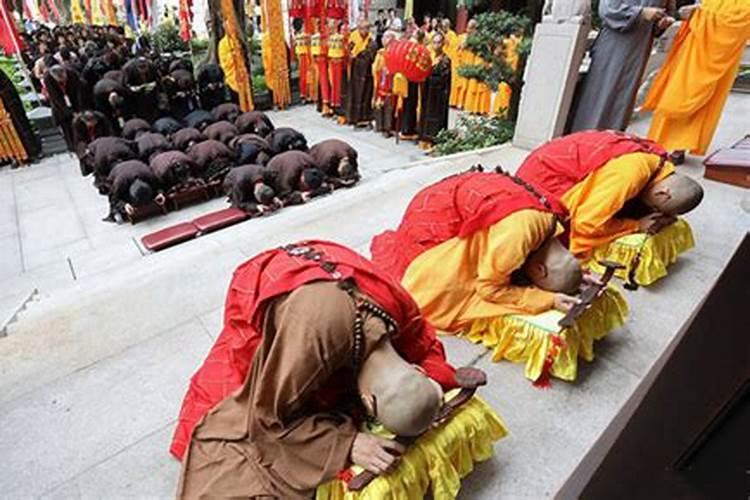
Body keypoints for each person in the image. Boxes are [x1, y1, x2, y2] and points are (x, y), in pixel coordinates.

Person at [171, 241, 462, 498]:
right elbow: (269, 417)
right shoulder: (312, 338)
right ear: (368, 401)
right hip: (269, 286)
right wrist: (345, 444)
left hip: (322, 274)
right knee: (238, 434)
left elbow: (423, 341)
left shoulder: (396, 307)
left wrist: (434, 383)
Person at [370, 171, 583, 334]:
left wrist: (573, 272)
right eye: (534, 280)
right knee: (437, 296)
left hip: (467, 188)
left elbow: (559, 256)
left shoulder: (554, 217)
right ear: (540, 269)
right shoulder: (516, 237)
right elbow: (489, 290)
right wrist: (548, 299)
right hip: (432, 216)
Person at [516, 130, 704, 258]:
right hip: (540, 180)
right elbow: (586, 224)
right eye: (656, 207)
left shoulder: (659, 160)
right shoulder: (627, 175)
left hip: (558, 158)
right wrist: (635, 225)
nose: (652, 209)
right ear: (664, 193)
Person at [643, 0, 750, 161]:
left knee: (698, 96)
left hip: (712, 50)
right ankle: (658, 142)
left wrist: (701, 14)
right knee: (677, 90)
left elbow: (740, 21)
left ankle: (679, 146)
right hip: (693, 44)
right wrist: (695, 11)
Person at [569, 0, 674, 132]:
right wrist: (641, 12)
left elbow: (662, 17)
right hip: (615, 45)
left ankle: (610, 143)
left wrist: (661, 24)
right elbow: (607, 9)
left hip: (639, 49)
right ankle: (585, 139)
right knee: (601, 97)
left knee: (622, 103)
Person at [418, 33, 451, 151]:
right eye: (434, 42)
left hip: (438, 95)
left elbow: (445, 79)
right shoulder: (428, 57)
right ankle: (424, 138)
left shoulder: (446, 60)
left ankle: (434, 141)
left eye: (439, 42)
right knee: (425, 113)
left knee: (436, 117)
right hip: (427, 92)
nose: (436, 45)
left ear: (443, 44)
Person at [345, 19, 378, 127]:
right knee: (354, 93)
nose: (364, 31)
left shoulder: (371, 41)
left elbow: (370, 56)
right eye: (361, 28)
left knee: (365, 94)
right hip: (355, 72)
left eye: (366, 28)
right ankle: (353, 118)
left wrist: (360, 56)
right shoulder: (353, 38)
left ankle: (365, 118)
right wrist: (354, 56)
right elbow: (349, 51)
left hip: (367, 74)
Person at [45, 64, 81, 152]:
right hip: (61, 107)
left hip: (74, 100)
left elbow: (79, 92)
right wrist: (69, 112)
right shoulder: (48, 78)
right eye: (59, 80)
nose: (62, 81)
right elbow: (55, 98)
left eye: (63, 79)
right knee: (66, 126)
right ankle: (72, 146)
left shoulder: (72, 73)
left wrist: (78, 110)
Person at [372, 30, 397, 136]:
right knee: (379, 104)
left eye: (386, 37)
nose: (383, 39)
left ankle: (388, 128)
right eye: (383, 37)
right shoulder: (380, 52)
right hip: (380, 81)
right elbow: (375, 67)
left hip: (390, 84)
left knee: (388, 106)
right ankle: (379, 125)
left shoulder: (395, 53)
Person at [294, 30, 313, 103]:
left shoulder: (296, 37)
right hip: (305, 56)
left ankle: (305, 94)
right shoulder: (304, 36)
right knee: (306, 75)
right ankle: (307, 94)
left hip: (302, 56)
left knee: (303, 76)